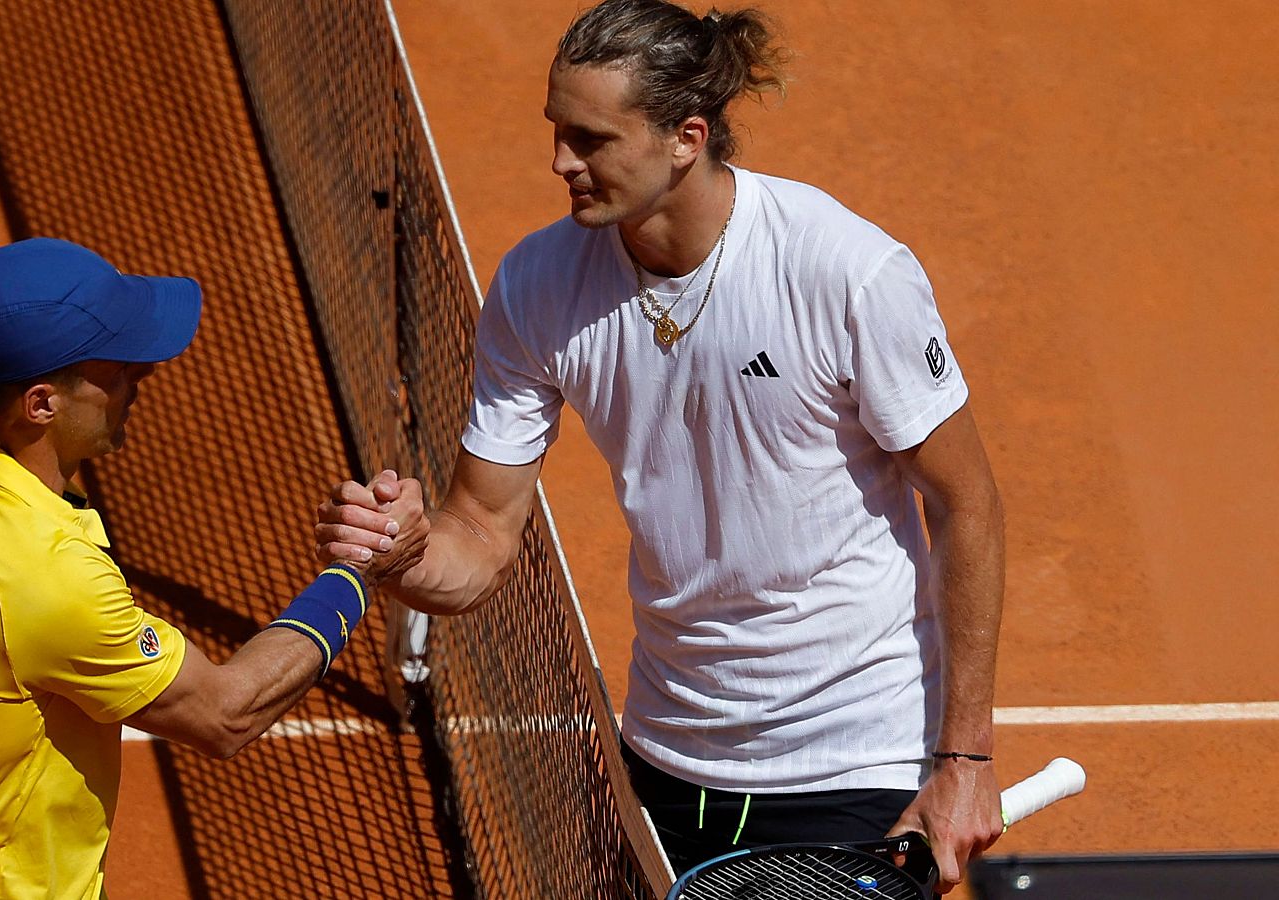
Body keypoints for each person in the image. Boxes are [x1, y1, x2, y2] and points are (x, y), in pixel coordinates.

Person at [317, 0, 1005, 890]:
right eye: (558, 131)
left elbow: (967, 502)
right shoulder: (538, 286)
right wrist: (406, 554)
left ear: (686, 137)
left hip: (849, 756)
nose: (562, 161)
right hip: (666, 757)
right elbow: (480, 535)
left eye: (593, 139)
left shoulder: (843, 271)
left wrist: (966, 761)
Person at [0, 237, 423, 898]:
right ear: (40, 404)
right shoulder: (50, 580)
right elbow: (226, 713)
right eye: (113, 366)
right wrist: (358, 573)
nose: (140, 374)